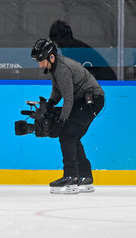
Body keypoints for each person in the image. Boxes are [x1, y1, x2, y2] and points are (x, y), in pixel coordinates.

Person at [31, 38, 105, 194]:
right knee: (73, 137)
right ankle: (85, 177)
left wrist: (62, 121)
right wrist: (50, 103)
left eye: (41, 61)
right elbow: (57, 90)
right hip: (84, 100)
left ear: (51, 57)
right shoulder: (55, 67)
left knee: (67, 135)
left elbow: (68, 97)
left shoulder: (62, 69)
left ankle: (70, 176)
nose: (40, 65)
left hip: (91, 101)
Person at [49, 20, 116, 81]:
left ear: (63, 37)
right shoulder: (71, 48)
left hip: (105, 81)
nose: (58, 45)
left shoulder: (74, 50)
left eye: (57, 41)